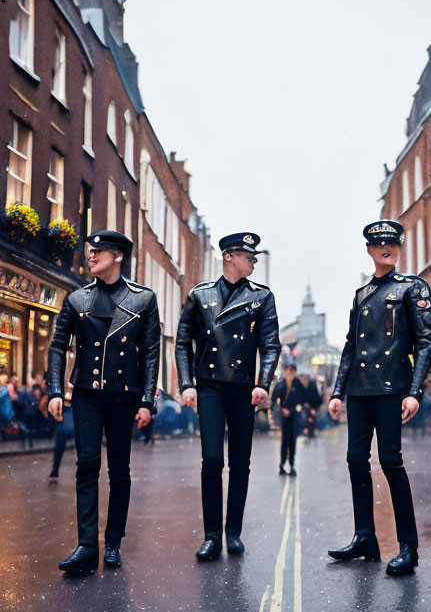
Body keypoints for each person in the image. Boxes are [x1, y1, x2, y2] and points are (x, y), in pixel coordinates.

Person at [327, 220, 431, 576]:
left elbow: (425, 341)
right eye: (379, 244)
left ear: (399, 248)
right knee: (355, 460)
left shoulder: (412, 288)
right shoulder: (360, 295)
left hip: (392, 390)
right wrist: (337, 392)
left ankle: (409, 547)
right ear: (369, 250)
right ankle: (365, 537)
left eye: (392, 243)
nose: (385, 248)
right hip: (359, 391)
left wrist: (414, 391)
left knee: (391, 462)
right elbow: (350, 347)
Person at [47, 230, 160, 573]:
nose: (91, 256)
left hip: (123, 396)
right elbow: (56, 345)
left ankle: (113, 542)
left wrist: (147, 400)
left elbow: (153, 352)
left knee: (119, 471)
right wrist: (55, 390)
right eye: (90, 250)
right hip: (85, 394)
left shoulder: (143, 299)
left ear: (119, 256)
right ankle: (85, 546)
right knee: (86, 464)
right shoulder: (77, 299)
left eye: (99, 251)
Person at [176, 232, 281, 562]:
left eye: (254, 256)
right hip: (209, 386)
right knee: (212, 460)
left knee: (240, 463)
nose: (253, 261)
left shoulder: (262, 297)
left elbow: (271, 345)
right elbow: (182, 343)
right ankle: (211, 535)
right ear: (228, 257)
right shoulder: (200, 294)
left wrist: (264, 382)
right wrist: (185, 384)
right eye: (248, 256)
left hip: (242, 388)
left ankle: (232, 531)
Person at [271, 363, 302, 475]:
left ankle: (292, 465)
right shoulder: (280, 384)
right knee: (284, 442)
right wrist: (282, 409)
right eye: (287, 371)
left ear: (294, 372)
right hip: (283, 417)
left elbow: (301, 400)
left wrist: (292, 410)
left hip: (294, 417)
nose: (289, 373)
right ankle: (282, 465)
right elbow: (274, 399)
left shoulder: (298, 384)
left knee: (292, 441)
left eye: (291, 371)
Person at [297, 372, 322, 438]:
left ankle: (309, 431)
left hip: (312, 407)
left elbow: (316, 398)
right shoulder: (299, 386)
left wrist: (313, 408)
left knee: (311, 420)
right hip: (302, 407)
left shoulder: (312, 386)